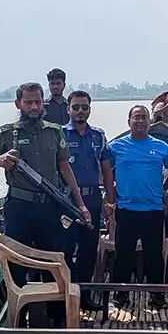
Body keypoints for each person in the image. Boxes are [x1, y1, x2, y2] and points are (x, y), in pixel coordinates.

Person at [0, 81, 92, 289]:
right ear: (18, 104)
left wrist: (80, 204)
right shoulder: (7, 133)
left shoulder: (54, 131)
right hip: (19, 207)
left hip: (49, 207)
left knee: (53, 261)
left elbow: (65, 169)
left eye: (37, 102)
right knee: (16, 261)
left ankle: (55, 315)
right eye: (28, 102)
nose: (33, 107)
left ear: (44, 104)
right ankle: (19, 315)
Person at [105, 105, 168, 308]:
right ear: (129, 122)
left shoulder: (161, 147)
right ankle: (121, 293)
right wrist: (110, 197)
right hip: (126, 210)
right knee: (123, 254)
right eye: (136, 117)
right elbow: (105, 170)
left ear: (149, 122)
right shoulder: (115, 147)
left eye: (144, 117)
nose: (140, 121)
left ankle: (157, 295)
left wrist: (163, 188)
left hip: (153, 210)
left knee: (154, 255)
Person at [61, 90, 115, 310]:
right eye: (76, 107)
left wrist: (109, 201)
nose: (80, 111)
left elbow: (107, 169)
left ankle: (84, 296)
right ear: (68, 109)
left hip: (92, 198)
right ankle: (65, 297)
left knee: (88, 249)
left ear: (90, 109)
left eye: (84, 107)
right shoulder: (60, 135)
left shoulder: (98, 136)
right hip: (66, 201)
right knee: (64, 249)